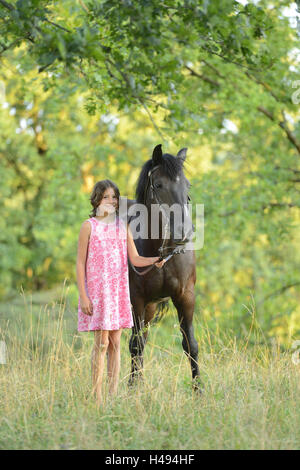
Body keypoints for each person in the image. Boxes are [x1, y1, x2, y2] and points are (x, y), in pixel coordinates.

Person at [76, 179, 165, 407]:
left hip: (117, 290)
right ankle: (97, 398)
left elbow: (135, 258)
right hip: (97, 291)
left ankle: (112, 396)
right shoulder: (89, 226)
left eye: (114, 197)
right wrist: (84, 296)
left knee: (115, 342)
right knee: (102, 343)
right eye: (106, 197)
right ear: (97, 199)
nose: (111, 201)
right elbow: (79, 263)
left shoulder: (121, 226)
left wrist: (155, 259)